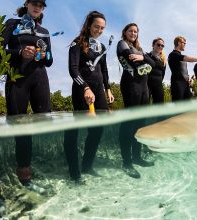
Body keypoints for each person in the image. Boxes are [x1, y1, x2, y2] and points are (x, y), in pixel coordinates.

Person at [0, 0, 52, 211]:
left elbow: (49, 60)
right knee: (18, 124)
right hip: (17, 78)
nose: (38, 7)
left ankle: (25, 178)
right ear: (27, 4)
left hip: (40, 79)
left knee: (35, 124)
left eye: (41, 5)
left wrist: (41, 54)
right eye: (35, 3)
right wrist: (20, 53)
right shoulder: (12, 23)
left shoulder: (44, 31)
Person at [63, 11, 114, 183]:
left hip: (99, 91)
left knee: (98, 129)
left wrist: (108, 89)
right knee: (74, 130)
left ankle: (87, 165)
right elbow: (73, 69)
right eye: (96, 27)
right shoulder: (77, 43)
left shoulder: (102, 48)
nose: (99, 30)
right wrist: (85, 87)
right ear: (88, 25)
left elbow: (104, 70)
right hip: (81, 90)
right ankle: (74, 172)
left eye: (102, 28)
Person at [117, 23, 155, 178]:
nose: (133, 33)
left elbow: (154, 64)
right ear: (125, 32)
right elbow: (131, 60)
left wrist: (143, 57)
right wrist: (144, 60)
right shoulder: (122, 44)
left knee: (140, 124)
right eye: (130, 31)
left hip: (144, 86)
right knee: (129, 123)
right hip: (131, 85)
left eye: (135, 31)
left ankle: (137, 157)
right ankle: (126, 162)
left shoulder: (139, 49)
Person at [168, 36, 197, 101]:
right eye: (184, 43)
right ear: (179, 43)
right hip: (177, 84)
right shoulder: (173, 54)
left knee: (188, 106)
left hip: (186, 84)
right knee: (179, 107)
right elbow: (187, 58)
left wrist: (189, 78)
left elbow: (183, 70)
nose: (185, 45)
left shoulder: (180, 56)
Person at [147, 38, 166, 103]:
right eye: (158, 45)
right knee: (145, 105)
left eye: (162, 46)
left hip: (158, 85)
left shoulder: (163, 60)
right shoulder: (147, 56)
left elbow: (163, 74)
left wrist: (159, 82)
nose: (160, 47)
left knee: (159, 106)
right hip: (147, 85)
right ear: (153, 45)